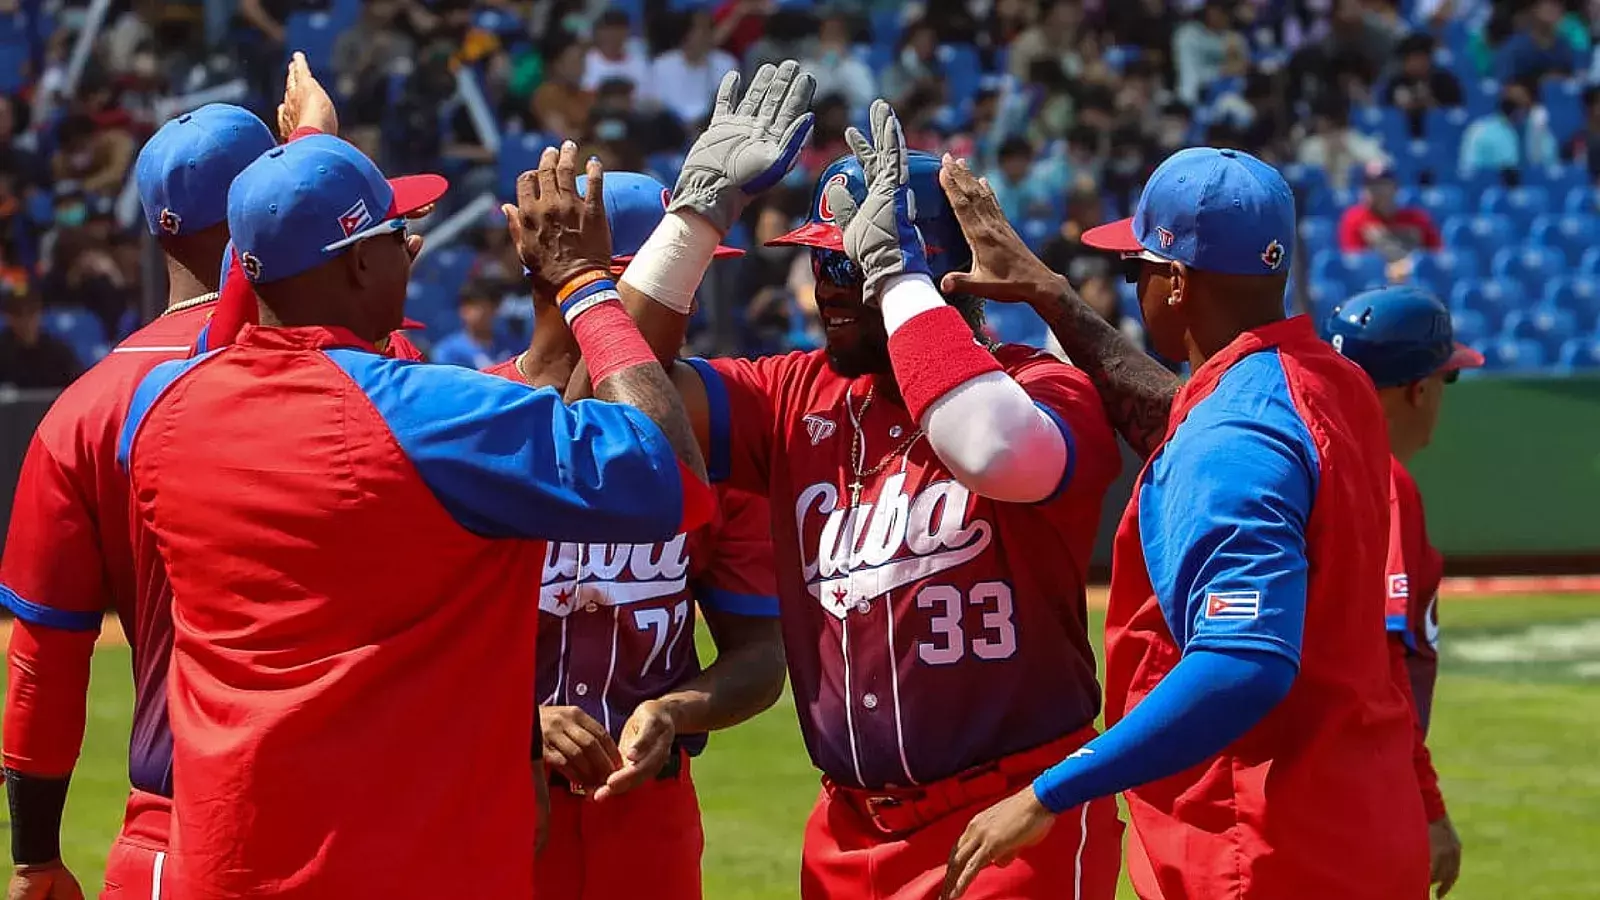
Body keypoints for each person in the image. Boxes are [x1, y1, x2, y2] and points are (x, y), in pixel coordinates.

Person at [116, 134, 711, 898]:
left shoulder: (157, 410)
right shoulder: (436, 417)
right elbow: (670, 478)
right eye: (396, 234)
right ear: (359, 263)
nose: (416, 245)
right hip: (402, 862)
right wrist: (584, 281)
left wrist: (288, 185)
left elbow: (241, 335)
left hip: (226, 859)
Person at [617, 78, 1125, 896]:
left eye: (853, 259)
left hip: (1011, 816)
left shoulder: (1042, 389)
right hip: (848, 834)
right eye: (823, 259)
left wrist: (897, 278)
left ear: (937, 270)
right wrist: (697, 216)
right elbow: (617, 385)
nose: (829, 284)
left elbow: (998, 449)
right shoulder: (794, 390)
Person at [935, 147, 1429, 900]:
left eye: (1137, 270)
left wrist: (1051, 792)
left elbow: (1242, 663)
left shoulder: (1234, 436)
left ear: (1176, 281)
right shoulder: (1333, 382)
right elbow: (1201, 420)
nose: (1133, 288)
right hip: (1361, 827)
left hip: (1258, 851)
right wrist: (1052, 298)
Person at [0, 100, 280, 900]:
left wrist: (35, 856)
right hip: (342, 817)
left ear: (154, 231)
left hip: (172, 832)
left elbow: (42, 663)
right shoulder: (354, 371)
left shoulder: (79, 411)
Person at [485, 168, 783, 900]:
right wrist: (516, 721)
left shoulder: (714, 442)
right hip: (499, 798)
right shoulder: (469, 420)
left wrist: (676, 708)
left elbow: (759, 656)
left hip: (650, 816)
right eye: (668, 282)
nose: (685, 306)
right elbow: (399, 655)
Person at [1324, 285, 1480, 899]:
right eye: (1446, 380)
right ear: (1419, 389)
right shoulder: (1384, 482)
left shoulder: (1322, 459)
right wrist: (1429, 806)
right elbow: (1382, 663)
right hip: (1361, 790)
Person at [648, 11, 740, 126]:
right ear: (685, 33)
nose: (704, 35)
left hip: (711, 125)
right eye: (699, 30)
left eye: (708, 30)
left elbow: (729, 103)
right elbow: (658, 103)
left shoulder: (726, 63)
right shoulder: (662, 64)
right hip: (672, 127)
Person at [1338, 162, 1442, 261]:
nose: (1376, 191)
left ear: (1395, 187)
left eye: (1382, 185)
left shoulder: (1417, 218)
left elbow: (1436, 258)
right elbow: (1357, 264)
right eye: (1371, 186)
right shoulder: (1354, 219)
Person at [1459, 78, 1558, 179]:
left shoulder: (1539, 130)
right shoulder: (1480, 131)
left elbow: (1550, 166)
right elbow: (1469, 171)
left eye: (1527, 106)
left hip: (1532, 186)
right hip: (1491, 186)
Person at [430, 278, 518, 369]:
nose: (479, 313)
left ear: (495, 308)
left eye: (485, 307)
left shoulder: (513, 346)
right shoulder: (448, 351)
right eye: (474, 307)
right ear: (462, 310)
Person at [1495, 0, 1583, 83]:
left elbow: (1574, 81)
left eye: (1558, 4)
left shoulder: (1564, 47)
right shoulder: (1516, 47)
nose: (1554, 8)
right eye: (1548, 3)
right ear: (1535, 8)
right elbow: (1500, 83)